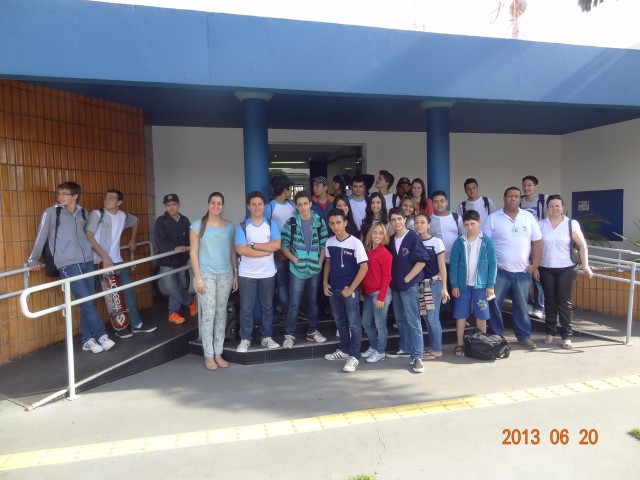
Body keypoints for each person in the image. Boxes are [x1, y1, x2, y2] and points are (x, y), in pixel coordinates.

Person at [27, 181, 115, 354]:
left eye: (65, 194)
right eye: (59, 193)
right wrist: (33, 259)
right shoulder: (52, 212)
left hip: (87, 261)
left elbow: (87, 235)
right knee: (86, 301)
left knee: (88, 301)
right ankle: (102, 335)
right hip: (67, 263)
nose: (61, 197)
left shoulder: (83, 212)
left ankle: (88, 340)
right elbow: (41, 236)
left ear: (75, 196)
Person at [86, 189, 157, 338]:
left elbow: (135, 221)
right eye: (106, 197)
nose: (107, 200)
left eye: (111, 198)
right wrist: (104, 256)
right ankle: (120, 327)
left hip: (117, 261)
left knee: (128, 291)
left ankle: (136, 324)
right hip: (100, 262)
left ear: (119, 202)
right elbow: (89, 235)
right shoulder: (97, 214)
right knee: (112, 295)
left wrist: (133, 240)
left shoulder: (123, 215)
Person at [482, 187, 542, 349]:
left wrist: (534, 265)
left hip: (523, 272)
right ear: (504, 198)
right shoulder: (493, 218)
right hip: (499, 272)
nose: (513, 198)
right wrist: (491, 265)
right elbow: (484, 244)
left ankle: (524, 336)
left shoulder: (528, 217)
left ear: (520, 199)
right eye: (510, 196)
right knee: (494, 305)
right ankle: (497, 336)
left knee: (522, 307)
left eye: (516, 196)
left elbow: (537, 242)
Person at [189, 192, 238, 370]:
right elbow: (193, 252)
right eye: (213, 203)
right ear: (208, 204)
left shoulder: (229, 226)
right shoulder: (197, 225)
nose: (216, 206)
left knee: (221, 314)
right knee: (208, 315)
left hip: (225, 274)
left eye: (219, 203)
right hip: (206, 275)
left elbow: (232, 251)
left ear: (223, 206)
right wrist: (198, 277)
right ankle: (208, 355)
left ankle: (218, 353)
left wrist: (235, 273)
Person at [538, 195, 593, 350]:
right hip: (546, 267)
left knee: (564, 302)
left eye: (557, 206)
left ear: (562, 207)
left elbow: (582, 245)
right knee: (549, 301)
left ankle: (566, 336)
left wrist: (585, 265)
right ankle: (550, 332)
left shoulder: (571, 224)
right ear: (547, 208)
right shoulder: (541, 225)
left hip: (567, 268)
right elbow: (535, 247)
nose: (554, 209)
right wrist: (534, 267)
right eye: (551, 206)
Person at [280, 190, 329, 348]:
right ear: (296, 206)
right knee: (294, 302)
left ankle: (312, 331)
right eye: (299, 204)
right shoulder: (291, 223)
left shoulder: (319, 221)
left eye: (305, 204)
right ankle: (289, 335)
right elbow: (283, 245)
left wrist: (320, 263)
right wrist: (295, 259)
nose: (303, 207)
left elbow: (324, 244)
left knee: (313, 301)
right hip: (297, 269)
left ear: (310, 204)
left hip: (315, 268)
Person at [235, 191, 282, 352]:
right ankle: (245, 338)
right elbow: (241, 250)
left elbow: (276, 245)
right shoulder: (242, 226)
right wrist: (265, 251)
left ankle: (266, 337)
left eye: (260, 204)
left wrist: (254, 245)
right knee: (246, 308)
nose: (257, 207)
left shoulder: (271, 224)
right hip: (247, 274)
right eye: (253, 204)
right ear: (248, 207)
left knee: (267, 307)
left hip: (267, 273)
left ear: (264, 206)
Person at [323, 209, 368, 373]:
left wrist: (352, 288)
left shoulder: (356, 243)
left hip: (350, 290)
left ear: (345, 223)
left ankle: (354, 355)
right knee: (340, 321)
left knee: (354, 323)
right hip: (334, 288)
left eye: (338, 222)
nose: (335, 226)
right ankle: (344, 349)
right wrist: (325, 283)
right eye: (332, 223)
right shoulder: (329, 242)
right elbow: (328, 263)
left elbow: (364, 267)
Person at [449, 210, 497, 357]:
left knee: (482, 314)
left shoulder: (486, 241)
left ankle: (483, 343)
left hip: (480, 286)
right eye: (467, 224)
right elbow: (453, 265)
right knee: (461, 315)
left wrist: (490, 285)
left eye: (472, 224)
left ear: (479, 222)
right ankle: (460, 344)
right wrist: (454, 284)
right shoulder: (459, 242)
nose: (470, 227)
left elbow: (493, 264)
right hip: (463, 286)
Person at [387, 207, 428, 373]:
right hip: (396, 287)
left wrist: (408, 278)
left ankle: (417, 356)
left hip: (408, 286)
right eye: (393, 219)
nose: (396, 222)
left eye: (399, 218)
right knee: (400, 319)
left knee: (413, 320)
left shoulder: (412, 237)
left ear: (405, 219)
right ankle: (404, 347)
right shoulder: (391, 240)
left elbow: (422, 261)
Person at [154, 194, 197, 325]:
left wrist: (190, 249)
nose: (171, 207)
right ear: (165, 206)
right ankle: (190, 301)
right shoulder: (161, 221)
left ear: (179, 205)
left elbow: (191, 237)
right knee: (171, 286)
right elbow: (160, 241)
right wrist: (174, 248)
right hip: (167, 260)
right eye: (168, 205)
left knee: (180, 285)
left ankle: (173, 313)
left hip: (181, 260)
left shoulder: (184, 220)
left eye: (174, 204)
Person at [414, 214, 450, 360]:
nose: (419, 225)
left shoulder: (436, 242)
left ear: (429, 224)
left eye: (422, 222)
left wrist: (444, 287)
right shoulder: (414, 241)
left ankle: (437, 349)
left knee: (432, 317)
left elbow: (442, 265)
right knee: (425, 316)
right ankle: (434, 345)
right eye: (416, 222)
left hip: (434, 284)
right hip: (420, 284)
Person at [360, 223, 392, 364]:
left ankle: (380, 351)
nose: (377, 235)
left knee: (380, 324)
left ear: (384, 236)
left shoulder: (385, 254)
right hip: (368, 293)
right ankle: (373, 346)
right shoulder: (367, 251)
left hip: (380, 293)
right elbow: (365, 273)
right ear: (370, 234)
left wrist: (381, 297)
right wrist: (362, 290)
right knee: (366, 322)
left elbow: (387, 277)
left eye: (380, 233)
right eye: (375, 232)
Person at [268, 175, 296, 323]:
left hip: (294, 250)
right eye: (290, 188)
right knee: (282, 284)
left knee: (293, 284)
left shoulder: (292, 205)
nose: (291, 191)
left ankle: (292, 310)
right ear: (284, 189)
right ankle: (287, 312)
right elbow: (265, 231)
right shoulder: (270, 207)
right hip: (278, 252)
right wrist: (276, 250)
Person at [520, 175, 548, 320]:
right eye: (524, 185)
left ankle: (539, 306)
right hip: (524, 243)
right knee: (525, 274)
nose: (526, 188)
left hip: (538, 242)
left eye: (529, 185)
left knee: (538, 275)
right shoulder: (519, 201)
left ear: (535, 186)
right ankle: (529, 304)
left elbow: (548, 219)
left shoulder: (544, 200)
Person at [429, 190, 465, 265]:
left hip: (455, 260)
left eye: (442, 201)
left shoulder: (456, 217)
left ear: (446, 202)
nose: (439, 204)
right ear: (432, 203)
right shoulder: (428, 220)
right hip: (435, 261)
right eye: (436, 202)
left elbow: (464, 236)